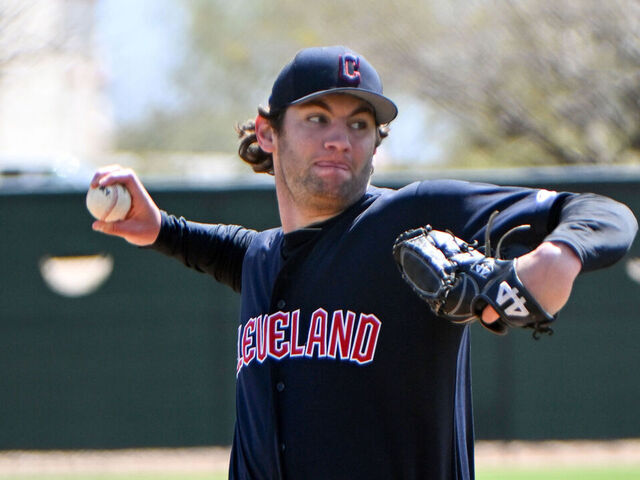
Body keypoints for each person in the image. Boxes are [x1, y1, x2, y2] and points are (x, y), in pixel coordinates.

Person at [90, 45, 638, 480]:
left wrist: (556, 257)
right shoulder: (264, 259)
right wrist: (161, 228)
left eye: (359, 125)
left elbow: (601, 212)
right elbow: (231, 249)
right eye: (318, 117)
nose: (340, 140)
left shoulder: (413, 219)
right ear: (267, 131)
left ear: (376, 144)